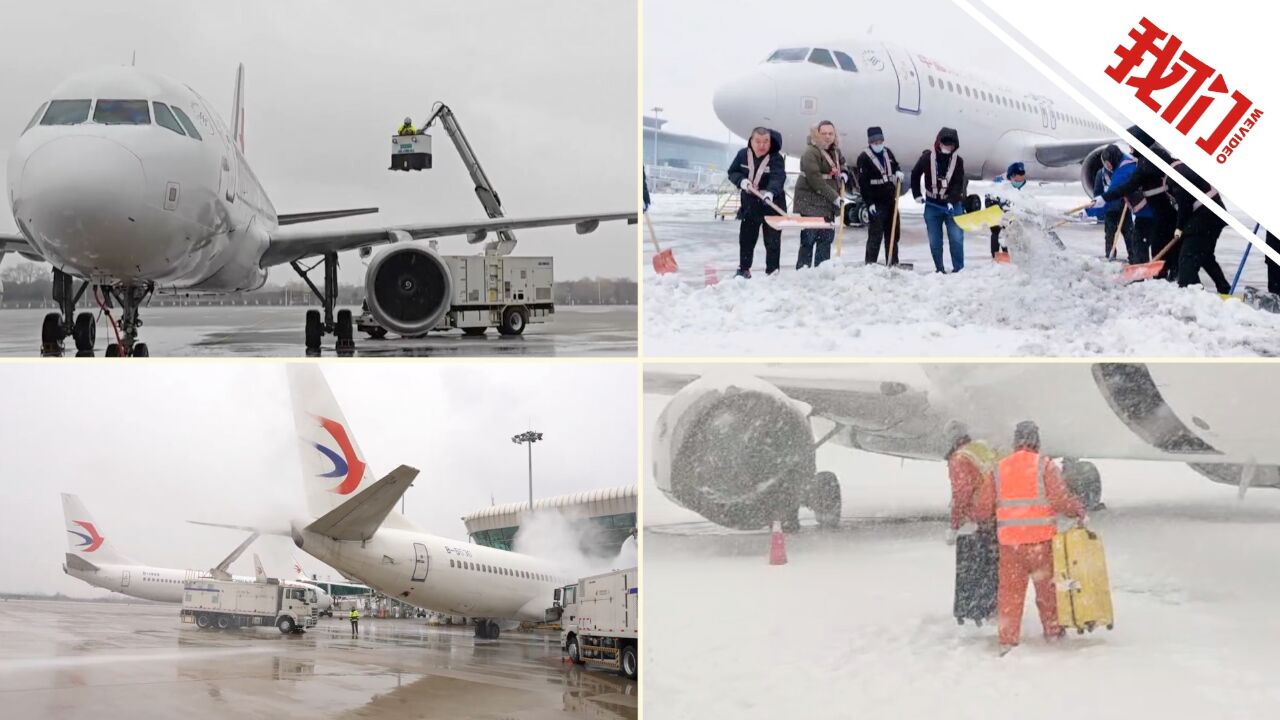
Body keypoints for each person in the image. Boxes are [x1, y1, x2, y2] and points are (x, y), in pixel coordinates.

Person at [985, 421, 1086, 655]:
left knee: (1010, 593)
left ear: (1015, 441)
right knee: (1048, 591)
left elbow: (983, 506)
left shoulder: (999, 468)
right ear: (1036, 441)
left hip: (1010, 544)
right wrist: (1077, 510)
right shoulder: (1045, 466)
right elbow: (1060, 500)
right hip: (1041, 543)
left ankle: (1008, 639)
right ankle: (1053, 633)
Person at [1096, 126, 1178, 278]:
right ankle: (1161, 276)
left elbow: (1129, 185)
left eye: (1132, 144)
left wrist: (1104, 198)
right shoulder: (1154, 156)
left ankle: (1155, 277)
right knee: (1154, 245)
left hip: (1161, 212)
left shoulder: (1148, 161)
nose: (1130, 148)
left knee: (1152, 244)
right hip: (1162, 211)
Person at [726, 127, 787, 277]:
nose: (762, 146)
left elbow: (778, 177)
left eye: (766, 141)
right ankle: (744, 269)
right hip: (750, 205)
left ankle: (772, 272)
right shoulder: (742, 155)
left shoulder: (776, 158)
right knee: (746, 239)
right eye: (758, 141)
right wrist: (741, 181)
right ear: (751, 141)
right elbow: (732, 172)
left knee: (772, 241)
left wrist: (771, 192)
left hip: (773, 205)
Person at [1168, 158, 1231, 294]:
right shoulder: (1182, 167)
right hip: (1214, 215)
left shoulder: (1175, 175)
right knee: (1205, 255)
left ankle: (1195, 296)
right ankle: (1224, 288)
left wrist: (1179, 227)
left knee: (1187, 260)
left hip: (1205, 218)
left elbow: (1185, 206)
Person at [911, 127, 967, 273]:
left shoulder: (958, 161)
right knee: (935, 240)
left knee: (956, 238)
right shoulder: (927, 158)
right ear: (938, 142)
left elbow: (958, 184)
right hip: (932, 205)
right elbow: (915, 174)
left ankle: (959, 269)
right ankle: (939, 269)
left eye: (951, 145)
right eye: (945, 144)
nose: (948, 147)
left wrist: (951, 200)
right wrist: (917, 194)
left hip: (952, 205)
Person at [793, 120, 848, 269]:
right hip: (810, 201)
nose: (827, 137)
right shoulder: (811, 152)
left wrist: (844, 173)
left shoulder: (835, 151)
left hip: (826, 203)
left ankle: (821, 270)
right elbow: (815, 180)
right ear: (817, 134)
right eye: (824, 133)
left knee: (825, 239)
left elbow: (842, 164)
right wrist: (835, 197)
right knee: (809, 239)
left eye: (830, 133)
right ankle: (803, 271)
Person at [855, 126, 905, 265]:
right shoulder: (864, 157)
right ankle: (870, 263)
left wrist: (898, 172)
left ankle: (892, 261)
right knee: (875, 235)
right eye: (875, 142)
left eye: (880, 141)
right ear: (870, 143)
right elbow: (863, 183)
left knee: (893, 233)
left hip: (890, 200)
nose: (878, 144)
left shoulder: (887, 153)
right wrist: (869, 203)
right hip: (876, 202)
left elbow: (895, 166)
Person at [944, 422, 998, 541]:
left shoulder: (960, 458)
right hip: (999, 511)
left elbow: (961, 494)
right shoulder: (983, 448)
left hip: (981, 515)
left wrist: (954, 525)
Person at [1087, 146, 1135, 259]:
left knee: (1129, 233)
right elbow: (1097, 193)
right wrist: (1097, 209)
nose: (1108, 166)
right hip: (1109, 210)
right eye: (1106, 164)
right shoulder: (1101, 174)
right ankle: (1110, 255)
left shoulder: (1121, 171)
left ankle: (1133, 256)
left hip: (1124, 207)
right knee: (1109, 234)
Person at [986, 162, 1028, 258]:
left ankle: (1007, 256)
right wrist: (1000, 209)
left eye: (1022, 177)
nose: (1021, 180)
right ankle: (996, 257)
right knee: (997, 232)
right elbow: (991, 197)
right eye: (1018, 178)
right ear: (1012, 176)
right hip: (995, 209)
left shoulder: (1017, 183)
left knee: (1010, 231)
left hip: (1008, 210)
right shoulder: (999, 183)